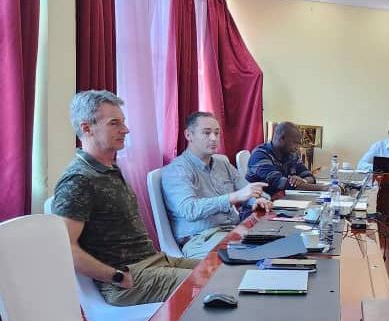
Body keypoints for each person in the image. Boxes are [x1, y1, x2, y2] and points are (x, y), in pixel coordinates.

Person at [52, 90, 199, 306]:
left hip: (154, 262)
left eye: (123, 122)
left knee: (222, 269)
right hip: (127, 279)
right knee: (213, 284)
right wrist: (116, 276)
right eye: (114, 123)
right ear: (86, 128)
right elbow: (63, 247)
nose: (126, 129)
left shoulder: (110, 168)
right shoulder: (78, 180)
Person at [161, 112, 273, 259]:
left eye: (217, 133)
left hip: (233, 231)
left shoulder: (222, 164)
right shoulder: (177, 170)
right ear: (188, 135)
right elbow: (189, 210)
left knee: (278, 244)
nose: (214, 138)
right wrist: (233, 197)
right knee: (260, 254)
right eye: (206, 133)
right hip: (200, 239)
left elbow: (247, 190)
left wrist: (257, 200)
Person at [246, 122, 326, 194]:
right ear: (282, 138)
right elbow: (281, 184)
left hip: (282, 199)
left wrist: (302, 180)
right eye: (295, 143)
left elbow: (310, 176)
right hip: (260, 202)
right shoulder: (260, 155)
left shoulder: (292, 155)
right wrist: (323, 188)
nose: (297, 147)